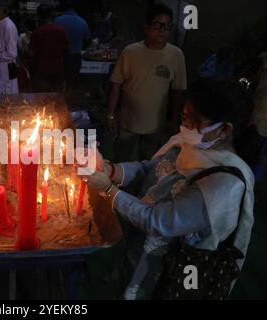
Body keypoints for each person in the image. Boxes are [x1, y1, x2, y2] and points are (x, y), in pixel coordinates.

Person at [79, 79, 254, 300]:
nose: (185, 126)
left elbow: (159, 222)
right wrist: (111, 170)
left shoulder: (222, 186)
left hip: (167, 267)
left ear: (224, 130)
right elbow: (151, 168)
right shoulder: (189, 144)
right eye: (184, 116)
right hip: (138, 245)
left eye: (194, 120)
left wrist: (109, 189)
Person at [107, 4, 187, 163]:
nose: (162, 30)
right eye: (158, 25)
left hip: (156, 124)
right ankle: (118, 184)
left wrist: (174, 119)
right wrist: (110, 114)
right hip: (128, 120)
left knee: (149, 160)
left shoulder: (176, 55)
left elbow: (178, 90)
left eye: (167, 26)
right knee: (122, 158)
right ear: (147, 27)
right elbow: (116, 83)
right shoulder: (131, 52)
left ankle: (142, 187)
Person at [29, 4, 69, 92]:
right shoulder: (61, 30)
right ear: (51, 15)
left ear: (38, 16)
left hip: (41, 71)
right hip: (58, 70)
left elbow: (31, 53)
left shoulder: (37, 33)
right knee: (57, 99)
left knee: (42, 100)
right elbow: (67, 49)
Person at [54, 0, 89, 91]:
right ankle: (72, 101)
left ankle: (60, 102)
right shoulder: (82, 22)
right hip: (76, 56)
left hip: (62, 56)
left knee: (61, 82)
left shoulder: (58, 21)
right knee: (73, 82)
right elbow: (87, 39)